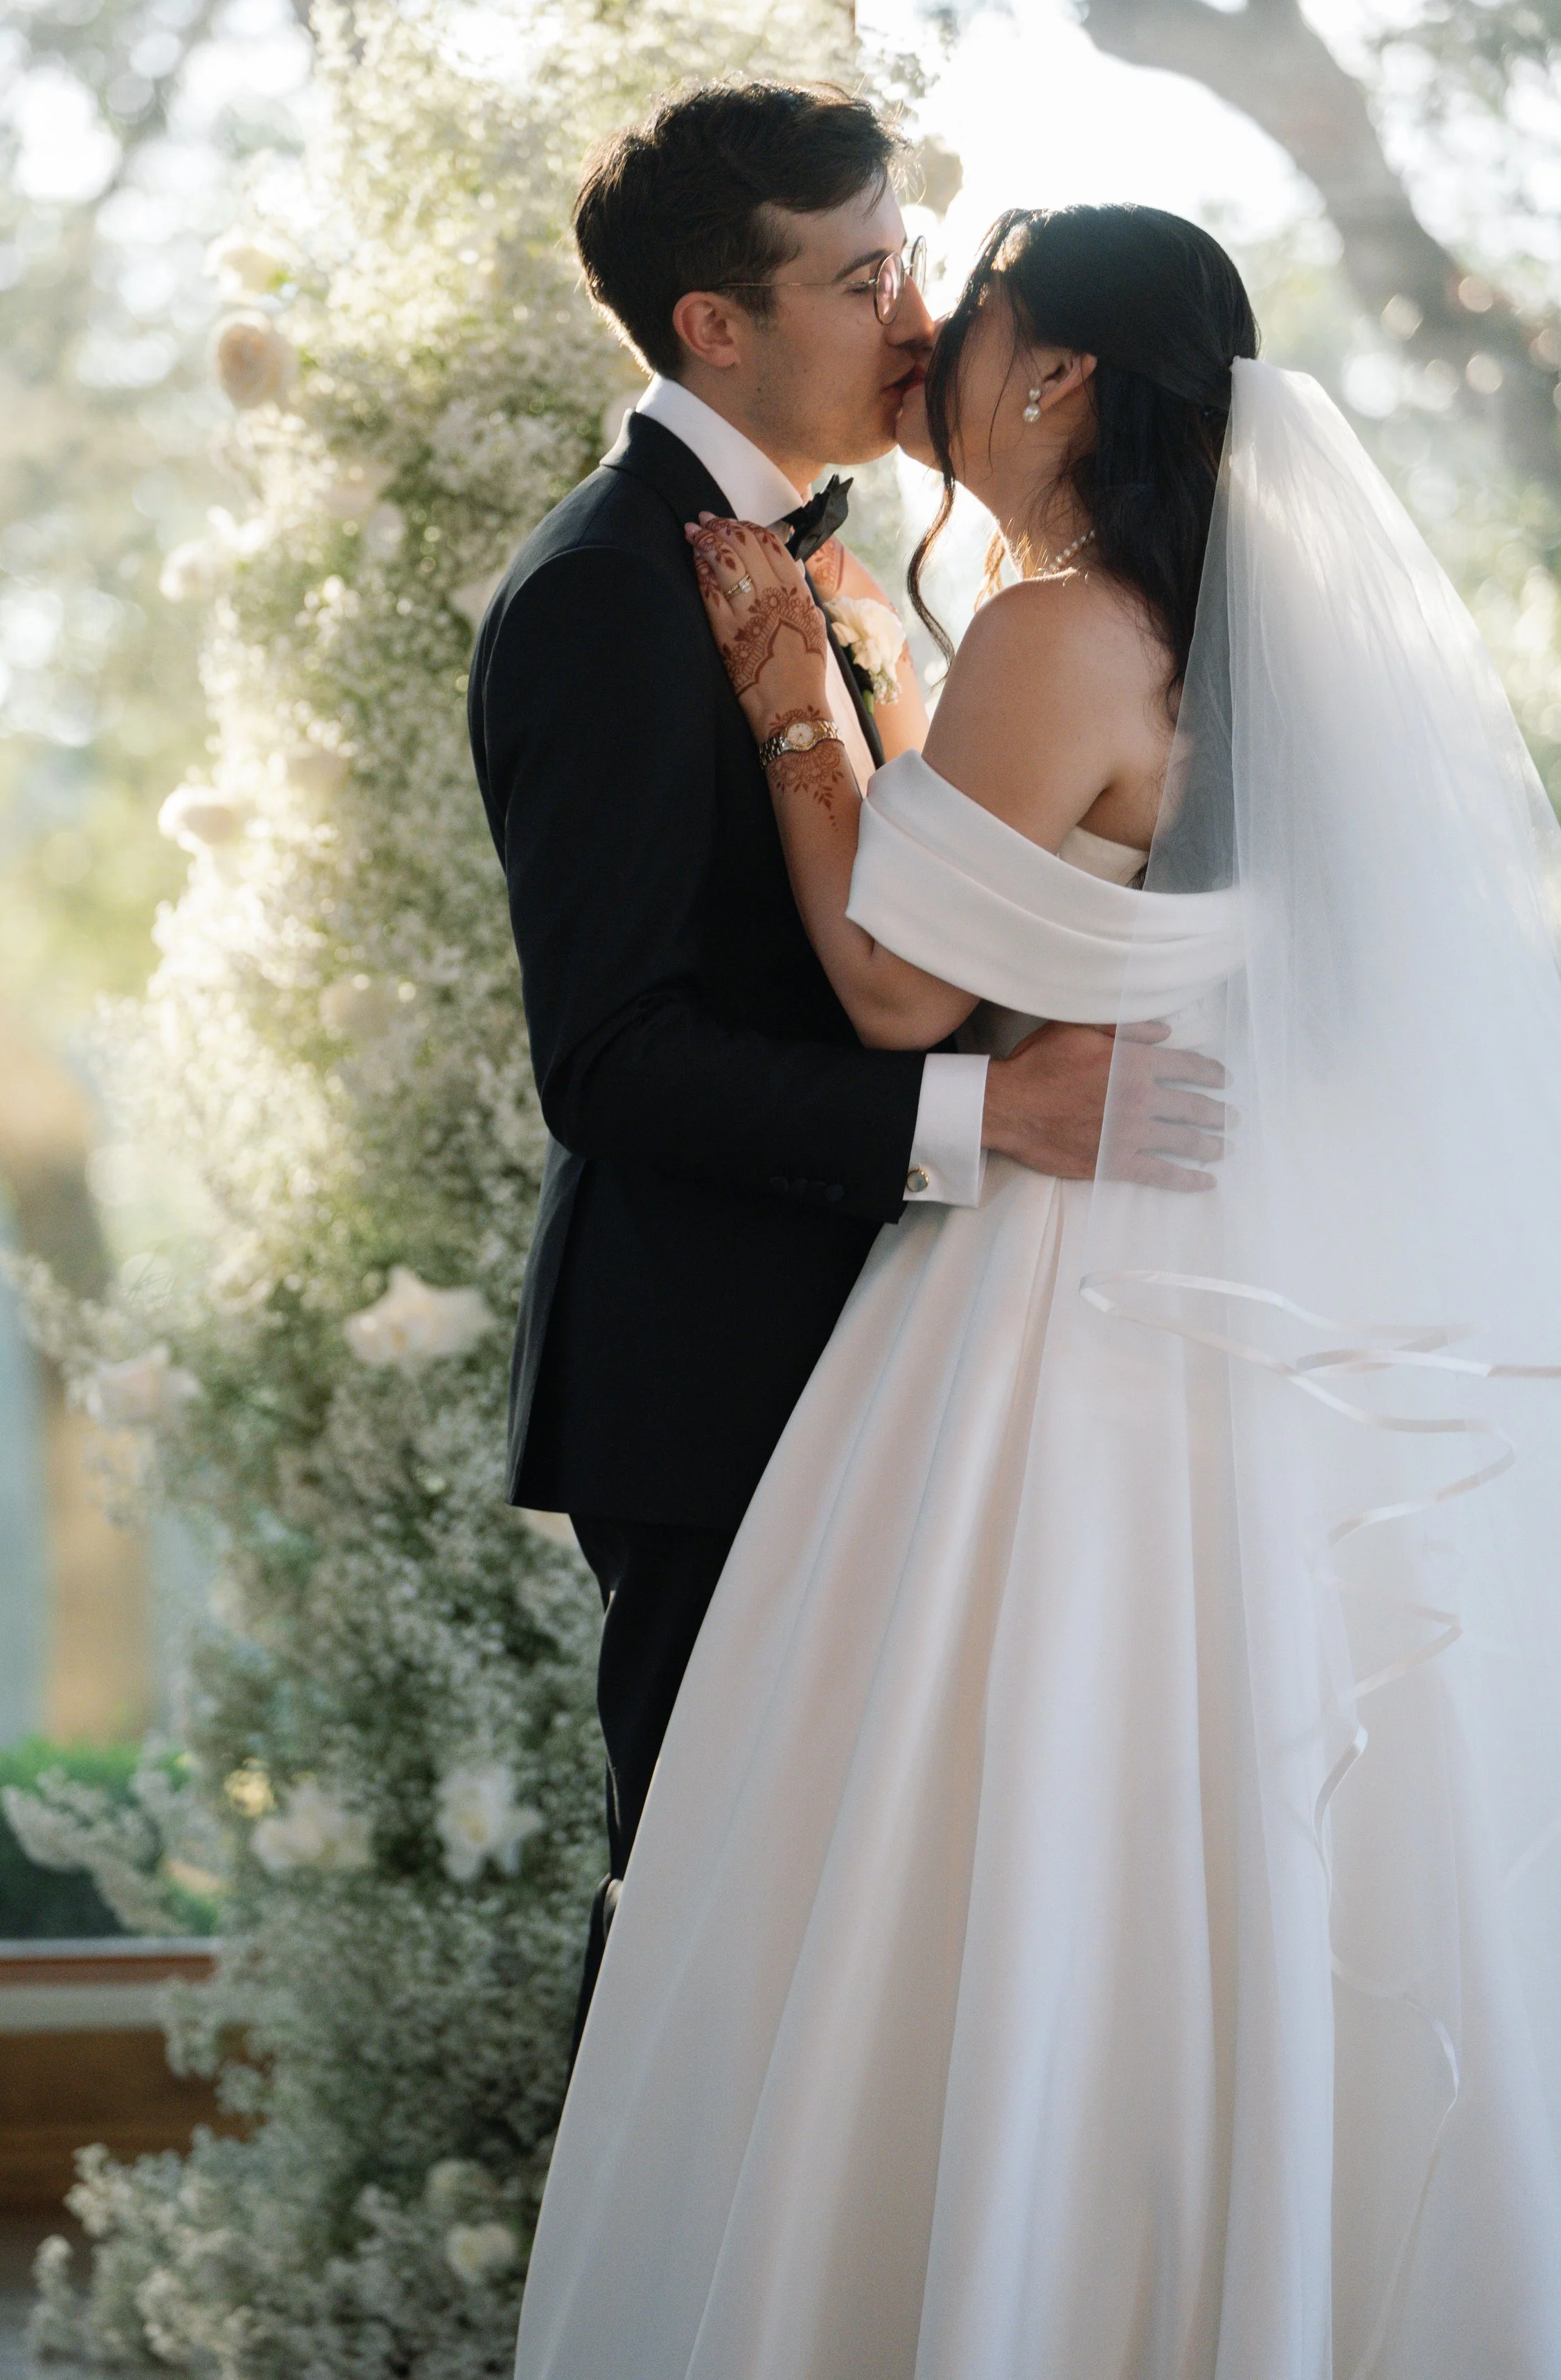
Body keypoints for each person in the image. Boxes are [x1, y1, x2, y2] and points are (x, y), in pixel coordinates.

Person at [513, 204, 1561, 2379]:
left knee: (984, 1813)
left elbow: (898, 986)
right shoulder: (1236, 646)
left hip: (1058, 1283)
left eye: (960, 315)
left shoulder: (1054, 629)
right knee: (1227, 1803)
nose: (921, 348)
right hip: (1240, 1280)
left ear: (1062, 374)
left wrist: (808, 715)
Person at [466, 89, 1226, 2049]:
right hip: (715, 1366)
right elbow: (614, 1059)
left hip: (930, 1351)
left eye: (911, 260)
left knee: (898, 1935)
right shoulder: (602, 598)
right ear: (711, 325)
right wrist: (993, 1113)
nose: (909, 311)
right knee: (714, 1925)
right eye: (860, 273)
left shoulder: (868, 568)